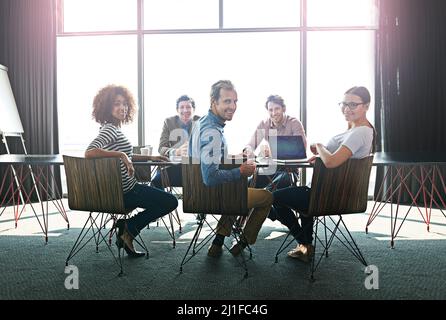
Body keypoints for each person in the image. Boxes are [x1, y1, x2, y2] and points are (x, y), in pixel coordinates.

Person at [270, 86, 376, 262]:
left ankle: (303, 242)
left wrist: (319, 146)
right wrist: (320, 157)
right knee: (300, 201)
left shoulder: (360, 132)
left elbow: (332, 162)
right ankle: (306, 245)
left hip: (324, 196)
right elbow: (337, 160)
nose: (346, 108)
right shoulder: (357, 131)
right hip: (330, 193)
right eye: (344, 104)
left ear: (366, 106)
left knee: (273, 197)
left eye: (352, 104)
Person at [85, 84, 178, 258]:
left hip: (126, 189)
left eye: (124, 104)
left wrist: (151, 158)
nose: (122, 108)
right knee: (170, 202)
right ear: (106, 107)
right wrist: (121, 155)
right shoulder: (109, 129)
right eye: (116, 104)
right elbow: (90, 152)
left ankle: (129, 231)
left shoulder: (113, 128)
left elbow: (127, 155)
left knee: (160, 199)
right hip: (127, 192)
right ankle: (129, 227)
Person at [189, 80, 273, 257]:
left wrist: (235, 160)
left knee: (237, 188)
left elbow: (209, 160)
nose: (233, 106)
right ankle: (242, 243)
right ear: (214, 102)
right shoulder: (212, 132)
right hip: (210, 195)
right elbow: (210, 177)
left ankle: (218, 243)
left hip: (196, 193)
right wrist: (240, 171)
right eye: (227, 101)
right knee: (266, 197)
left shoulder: (201, 123)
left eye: (235, 101)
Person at [244, 94, 307, 189]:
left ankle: (265, 198)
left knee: (277, 184)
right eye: (270, 110)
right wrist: (249, 151)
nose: (273, 113)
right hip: (269, 168)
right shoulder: (264, 124)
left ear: (283, 109)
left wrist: (271, 151)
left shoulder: (294, 123)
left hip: (289, 171)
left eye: (277, 109)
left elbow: (301, 150)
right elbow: (250, 145)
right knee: (246, 185)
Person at [151, 95, 200, 189]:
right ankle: (165, 203)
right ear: (177, 110)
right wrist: (176, 151)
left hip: (195, 167)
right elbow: (161, 148)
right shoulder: (169, 122)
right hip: (174, 166)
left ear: (193, 109)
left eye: (188, 107)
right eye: (182, 107)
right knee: (156, 182)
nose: (185, 110)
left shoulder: (201, 121)